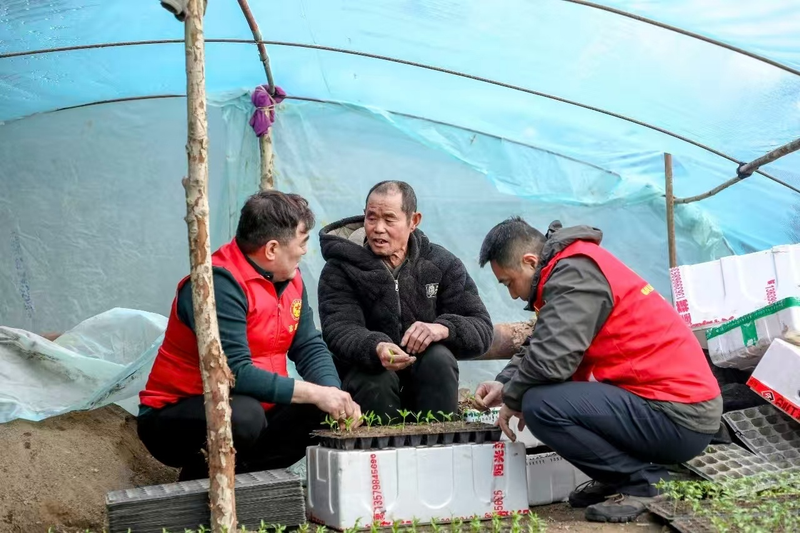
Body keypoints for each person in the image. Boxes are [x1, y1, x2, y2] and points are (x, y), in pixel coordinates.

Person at [474, 218, 721, 523]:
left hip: (680, 414)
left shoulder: (574, 274)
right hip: (665, 404)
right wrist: (505, 383)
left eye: (509, 282)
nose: (512, 295)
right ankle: (621, 474)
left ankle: (645, 484)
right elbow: (543, 341)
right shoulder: (570, 269)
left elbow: (551, 360)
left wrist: (513, 399)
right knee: (538, 395)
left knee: (540, 405)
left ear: (529, 261)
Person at [137, 191, 361, 481]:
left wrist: (333, 393)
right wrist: (316, 392)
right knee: (245, 416)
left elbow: (308, 344)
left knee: (319, 409)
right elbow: (236, 373)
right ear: (271, 249)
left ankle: (240, 482)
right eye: (302, 242)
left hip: (254, 405)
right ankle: (200, 480)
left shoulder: (289, 278)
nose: (305, 251)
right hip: (175, 416)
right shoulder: (217, 285)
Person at [317, 181, 494, 419]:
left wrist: (442, 328)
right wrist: (376, 346)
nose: (378, 228)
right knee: (374, 376)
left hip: (425, 381)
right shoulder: (340, 268)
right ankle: (378, 452)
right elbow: (339, 328)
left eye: (389, 220)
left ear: (413, 221)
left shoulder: (441, 264)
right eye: (371, 218)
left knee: (438, 359)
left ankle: (439, 443)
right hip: (370, 384)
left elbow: (481, 328)